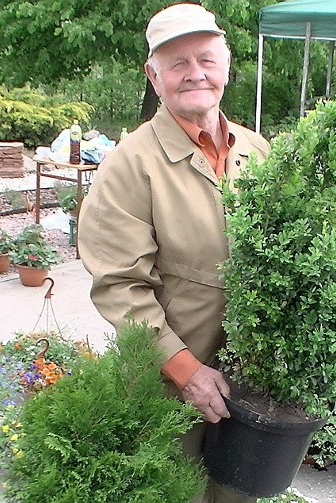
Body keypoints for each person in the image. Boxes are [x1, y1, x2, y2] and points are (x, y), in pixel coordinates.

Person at [77, 4, 269, 502]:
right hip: (171, 387)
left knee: (237, 494)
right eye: (177, 63)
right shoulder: (129, 165)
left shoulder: (256, 151)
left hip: (252, 383)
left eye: (205, 58)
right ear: (153, 75)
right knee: (174, 492)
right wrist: (186, 373)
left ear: (226, 66)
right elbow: (120, 286)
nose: (195, 73)